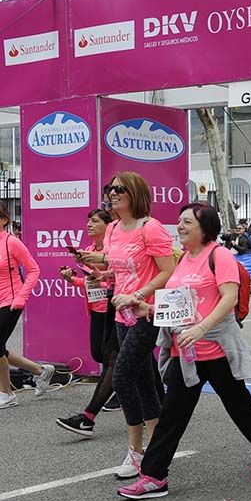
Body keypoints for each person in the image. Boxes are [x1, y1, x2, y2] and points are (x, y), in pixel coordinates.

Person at [117, 203, 251, 499]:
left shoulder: (219, 255)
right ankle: (155, 476)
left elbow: (229, 298)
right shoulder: (183, 260)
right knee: (173, 414)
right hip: (187, 352)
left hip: (217, 350)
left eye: (186, 223)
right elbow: (180, 305)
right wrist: (149, 308)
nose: (179, 227)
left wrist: (201, 329)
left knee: (239, 405)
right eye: (179, 222)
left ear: (205, 227)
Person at [79, 173, 176, 478]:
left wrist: (138, 294)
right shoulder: (113, 229)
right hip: (122, 314)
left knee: (121, 379)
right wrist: (100, 275)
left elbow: (167, 272)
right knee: (144, 382)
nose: (113, 193)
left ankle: (136, 452)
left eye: (120, 189)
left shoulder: (151, 228)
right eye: (111, 189)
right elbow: (118, 271)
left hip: (146, 313)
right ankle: (159, 448)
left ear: (135, 194)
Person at [56, 208, 118, 434]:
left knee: (114, 358)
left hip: (115, 306)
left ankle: (89, 415)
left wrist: (91, 275)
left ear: (108, 225)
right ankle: (142, 398)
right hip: (97, 307)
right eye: (88, 221)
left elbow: (112, 281)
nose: (89, 225)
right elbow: (94, 283)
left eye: (94, 221)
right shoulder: (89, 250)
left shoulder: (113, 250)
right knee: (100, 355)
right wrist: (72, 278)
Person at [0, 204, 41, 410]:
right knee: (1, 348)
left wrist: (21, 298)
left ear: (4, 220)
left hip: (11, 301)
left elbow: (34, 270)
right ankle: (41, 372)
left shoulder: (11, 242)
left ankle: (7, 394)